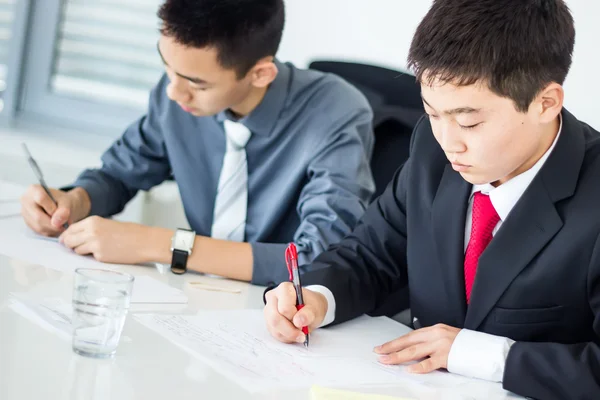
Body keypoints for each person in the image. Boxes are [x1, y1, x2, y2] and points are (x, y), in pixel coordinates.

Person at [263, 0, 600, 398]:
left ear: (546, 103)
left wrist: (486, 355)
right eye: (432, 113)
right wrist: (316, 298)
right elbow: (372, 254)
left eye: (469, 122)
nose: (448, 142)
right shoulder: (432, 148)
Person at [19, 0, 375, 285]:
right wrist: (74, 201)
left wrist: (159, 245)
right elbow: (120, 173)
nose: (174, 91)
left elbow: (319, 258)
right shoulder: (178, 93)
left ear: (260, 74)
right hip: (196, 300)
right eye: (167, 68)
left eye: (196, 82)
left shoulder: (336, 111)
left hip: (280, 314)